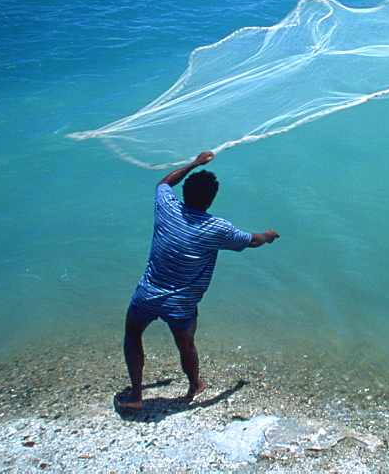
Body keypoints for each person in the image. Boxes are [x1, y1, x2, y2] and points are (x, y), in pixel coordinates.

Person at [116, 151, 279, 410]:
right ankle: (194, 385)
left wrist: (194, 163)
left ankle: (136, 395)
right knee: (186, 344)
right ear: (211, 200)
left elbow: (164, 183)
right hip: (181, 304)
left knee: (133, 333)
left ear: (185, 194)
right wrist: (268, 236)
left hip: (147, 294)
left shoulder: (166, 207)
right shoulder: (217, 229)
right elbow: (252, 241)